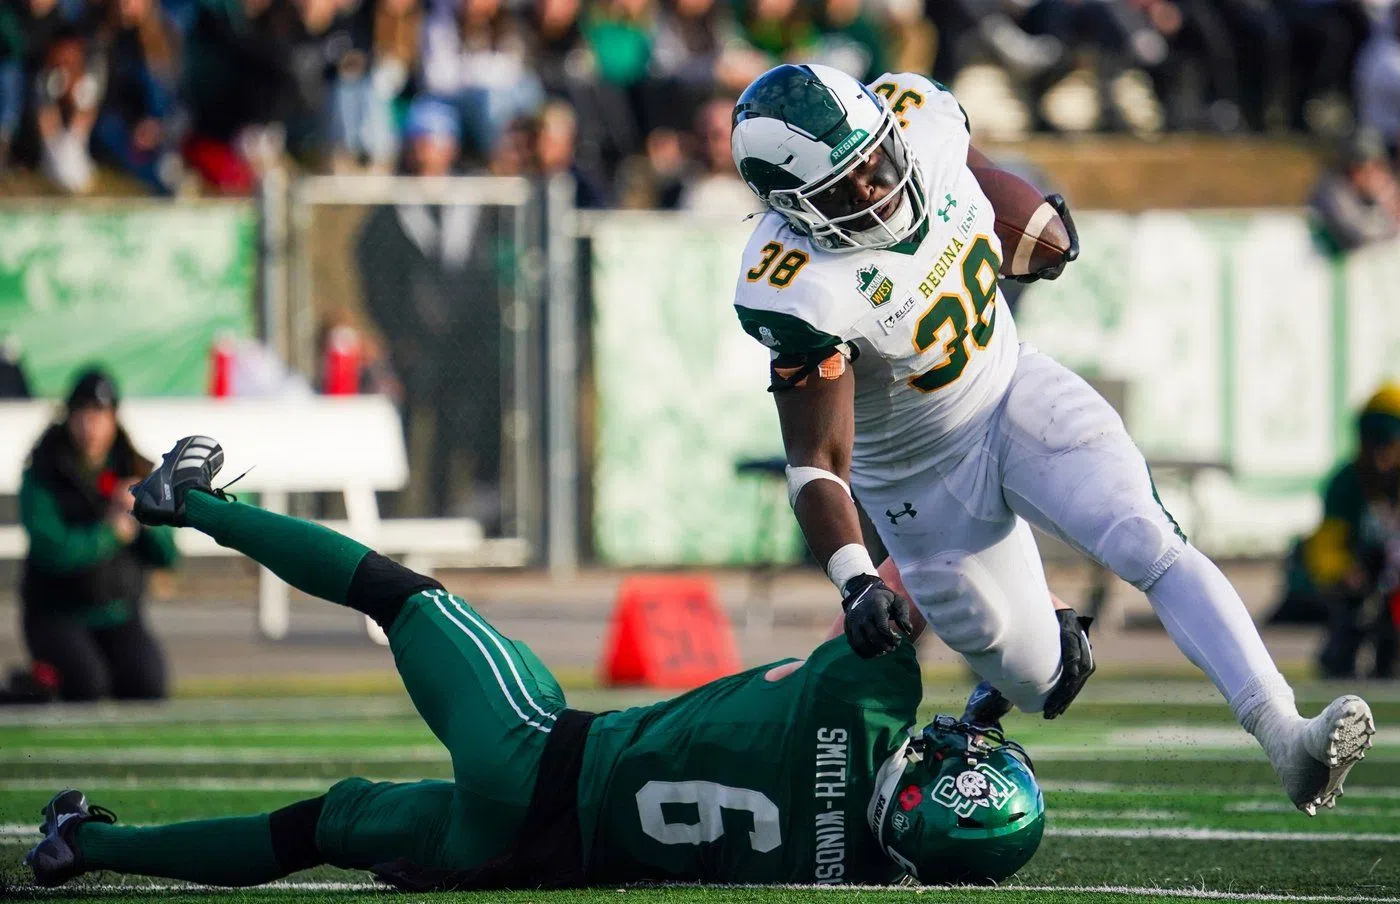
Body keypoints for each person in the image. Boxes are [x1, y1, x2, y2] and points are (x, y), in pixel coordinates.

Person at [727, 63, 1374, 816]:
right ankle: (1016, 625)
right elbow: (816, 464)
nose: (876, 187)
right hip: (919, 485)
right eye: (845, 187)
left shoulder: (921, 119)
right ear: (792, 210)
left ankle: (1285, 737)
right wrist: (856, 578)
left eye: (876, 159)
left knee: (1149, 539)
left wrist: (1027, 222)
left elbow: (975, 176)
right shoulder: (797, 286)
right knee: (1043, 678)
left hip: (1011, 389)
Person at [26, 434, 1046, 888]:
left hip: (543, 747)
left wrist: (1031, 649)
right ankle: (86, 849)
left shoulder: (868, 692)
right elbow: (909, 788)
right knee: (317, 828)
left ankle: (186, 502)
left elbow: (916, 589)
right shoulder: (858, 870)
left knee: (402, 593)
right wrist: (995, 700)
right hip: (545, 853)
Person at [17, 368, 176, 701]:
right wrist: (110, 533)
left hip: (118, 614)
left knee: (146, 685)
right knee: (87, 687)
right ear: (70, 417)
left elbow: (169, 556)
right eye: (83, 415)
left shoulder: (135, 470)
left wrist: (143, 518)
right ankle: (30, 686)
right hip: (57, 614)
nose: (91, 427)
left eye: (100, 415)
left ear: (114, 418)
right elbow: (54, 551)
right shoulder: (45, 472)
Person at [1304, 384, 1400, 679]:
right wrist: (1344, 571)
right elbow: (1326, 546)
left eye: (1387, 445)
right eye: (1372, 444)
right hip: (1361, 584)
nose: (1378, 456)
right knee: (1349, 619)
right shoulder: (1347, 483)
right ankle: (1340, 658)